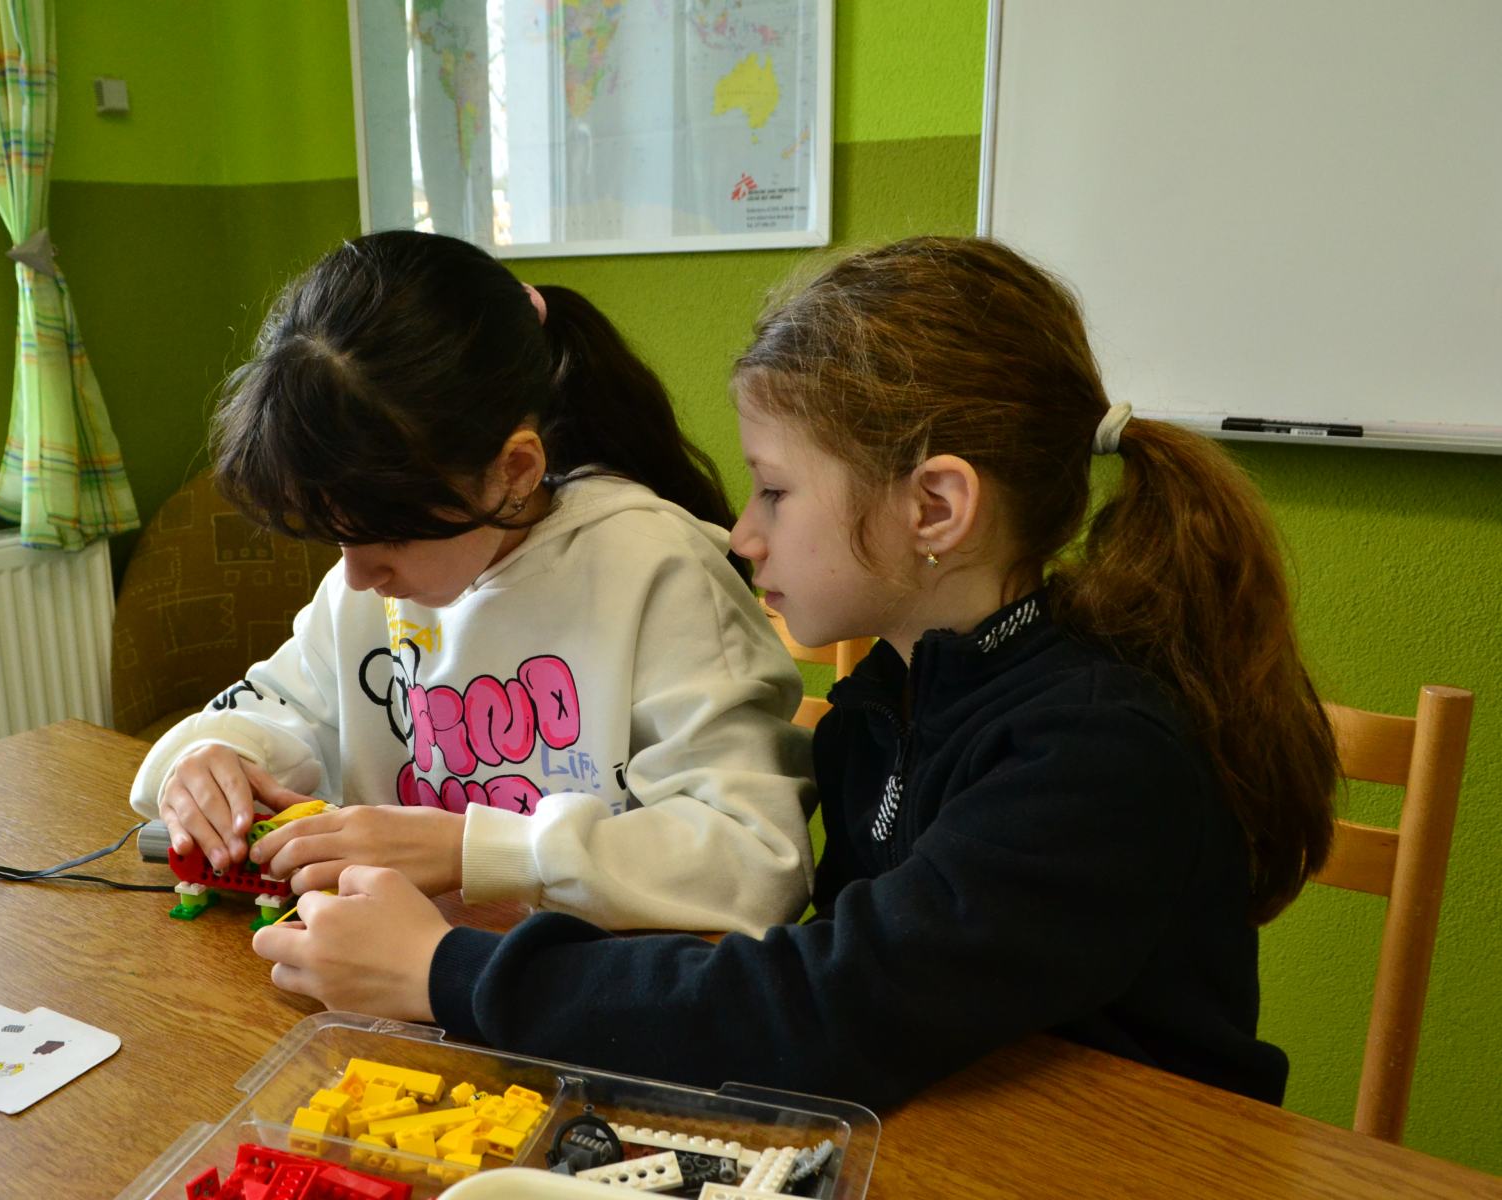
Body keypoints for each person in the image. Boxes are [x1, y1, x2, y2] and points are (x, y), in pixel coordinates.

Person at [250, 237, 1340, 1109]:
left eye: (774, 490)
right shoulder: (883, 705)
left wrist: (445, 973)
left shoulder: (1094, 756)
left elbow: (824, 1010)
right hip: (958, 1123)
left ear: (935, 508)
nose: (742, 533)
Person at [129, 230, 814, 938]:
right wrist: (210, 760)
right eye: (339, 535)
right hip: (397, 972)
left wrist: (476, 852)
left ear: (514, 471)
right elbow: (275, 710)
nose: (357, 576)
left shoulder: (657, 572)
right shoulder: (366, 587)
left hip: (592, 989)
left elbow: (757, 861)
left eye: (391, 534)